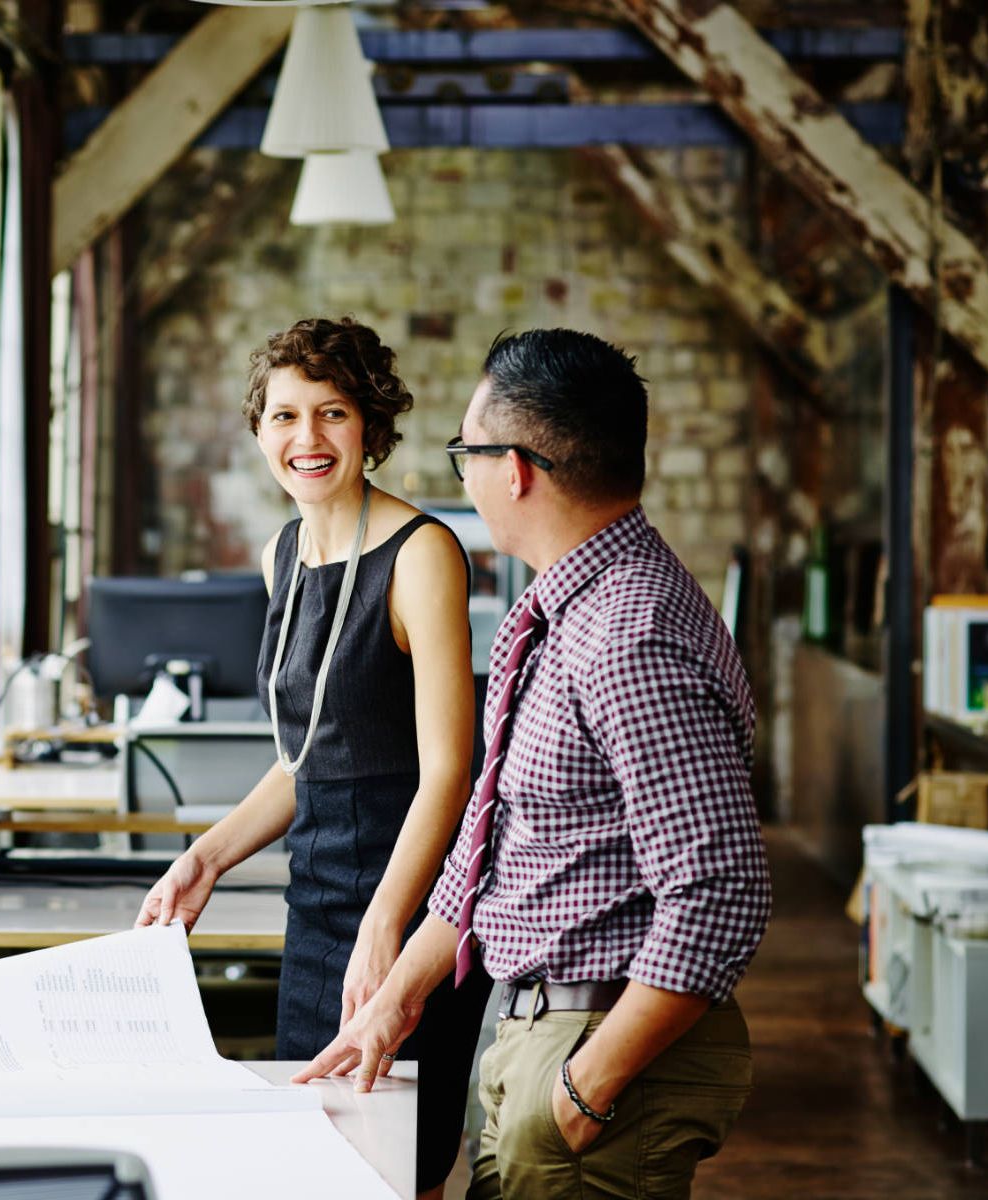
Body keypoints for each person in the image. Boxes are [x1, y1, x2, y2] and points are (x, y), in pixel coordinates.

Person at [295, 329, 772, 1199]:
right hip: (540, 1030)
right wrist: (396, 997)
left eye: (464, 454)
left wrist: (582, 1091)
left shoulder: (631, 633)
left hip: (598, 1046)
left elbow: (719, 891)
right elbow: (497, 843)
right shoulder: (559, 609)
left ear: (513, 469)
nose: (462, 478)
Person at [135, 316, 494, 1200]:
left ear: (370, 425)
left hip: (410, 904)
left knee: (398, 1166)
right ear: (258, 430)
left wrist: (386, 929)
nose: (307, 438)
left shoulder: (422, 555)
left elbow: (450, 769)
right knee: (318, 1165)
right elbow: (305, 761)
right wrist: (203, 859)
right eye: (285, 416)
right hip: (317, 901)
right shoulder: (282, 554)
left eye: (331, 413)